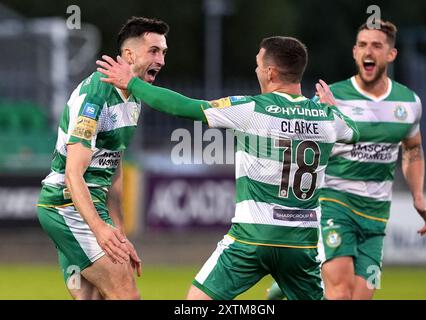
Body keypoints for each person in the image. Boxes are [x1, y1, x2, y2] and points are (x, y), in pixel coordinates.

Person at [96, 36, 360, 300]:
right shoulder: (328, 118)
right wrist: (331, 108)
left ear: (270, 71)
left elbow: (184, 107)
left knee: (197, 302)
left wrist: (131, 82)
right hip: (301, 243)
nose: (256, 70)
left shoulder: (251, 108)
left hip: (253, 238)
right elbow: (354, 132)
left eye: (258, 64)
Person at [267, 19, 426, 300]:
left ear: (391, 55)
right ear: (355, 52)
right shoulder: (331, 97)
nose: (369, 52)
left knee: (359, 297)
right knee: (340, 293)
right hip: (334, 202)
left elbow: (413, 149)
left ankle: (289, 282)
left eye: (377, 46)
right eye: (363, 45)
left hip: (376, 213)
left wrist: (418, 195)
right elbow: (299, 146)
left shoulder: (408, 103)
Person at [36, 16, 169, 300]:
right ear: (129, 54)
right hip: (67, 205)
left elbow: (114, 163)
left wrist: (117, 229)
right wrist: (100, 229)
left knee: (91, 298)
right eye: (154, 51)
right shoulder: (95, 95)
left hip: (91, 206)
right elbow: (73, 174)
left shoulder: (133, 97)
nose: (161, 60)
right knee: (127, 295)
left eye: (163, 52)